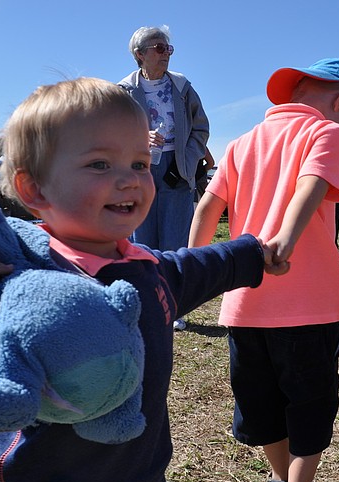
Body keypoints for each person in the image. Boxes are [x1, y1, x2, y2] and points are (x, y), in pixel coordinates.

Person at [0, 77, 287, 482]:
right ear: (32, 186)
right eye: (99, 164)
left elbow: (203, 267)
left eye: (140, 163)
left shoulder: (148, 268)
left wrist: (253, 252)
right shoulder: (20, 274)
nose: (129, 178)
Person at [189, 58, 339, 482]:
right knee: (310, 401)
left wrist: (191, 267)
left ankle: (282, 479)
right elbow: (310, 186)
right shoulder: (327, 133)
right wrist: (286, 240)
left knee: (259, 403)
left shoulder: (242, 143)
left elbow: (210, 205)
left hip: (244, 305)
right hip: (309, 305)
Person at [119, 26, 209, 332]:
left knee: (174, 240)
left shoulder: (182, 87)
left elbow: (200, 129)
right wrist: (139, 138)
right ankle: (145, 305)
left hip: (177, 169)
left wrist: (187, 159)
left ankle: (174, 308)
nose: (166, 54)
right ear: (139, 55)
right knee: (142, 239)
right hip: (139, 168)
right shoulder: (122, 92)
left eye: (168, 48)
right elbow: (109, 133)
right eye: (159, 48)